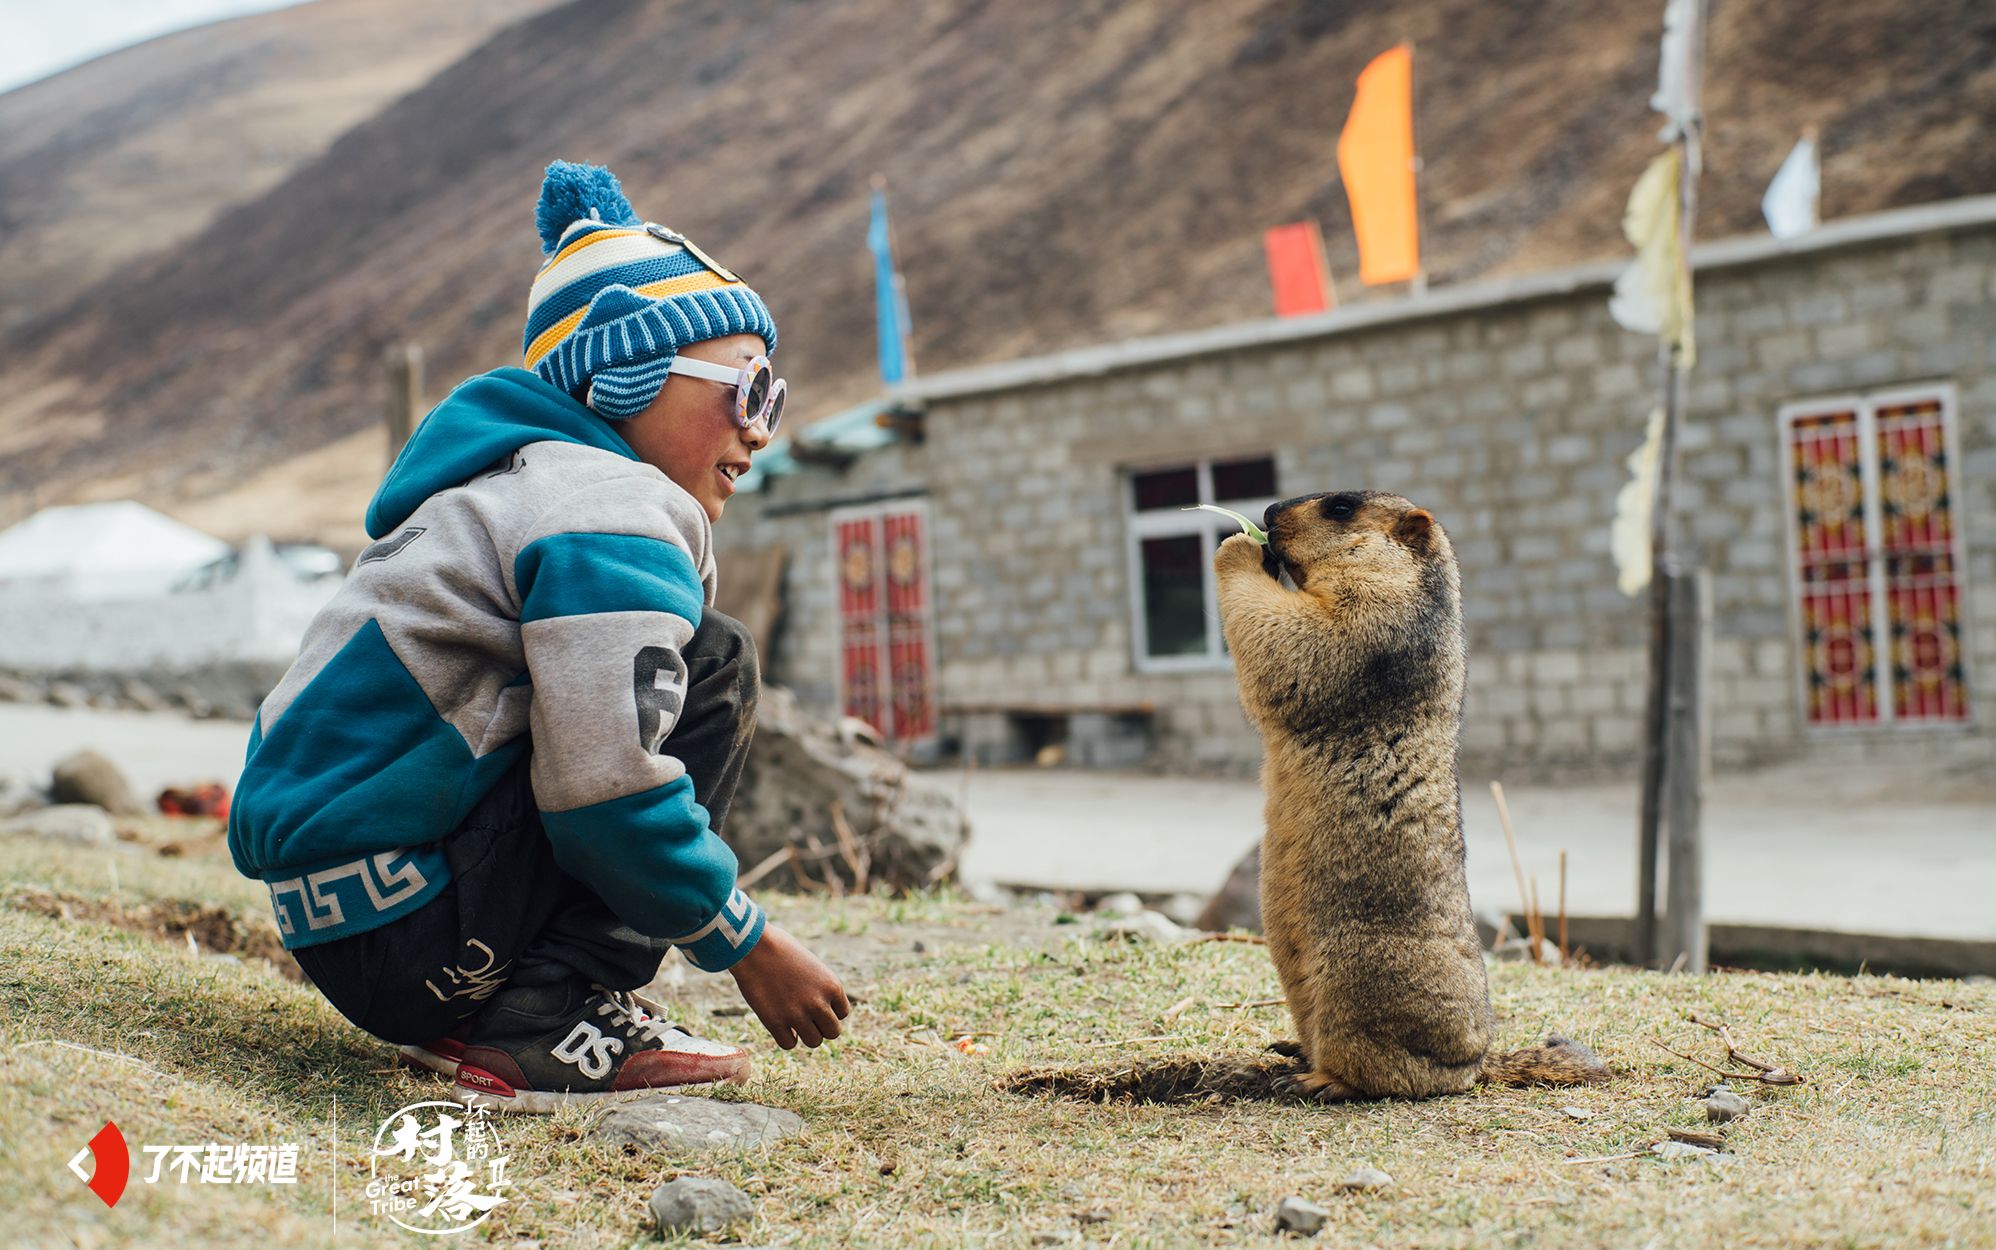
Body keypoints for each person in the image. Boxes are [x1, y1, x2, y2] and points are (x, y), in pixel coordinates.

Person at [227, 161, 849, 1113]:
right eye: (748, 389)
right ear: (630, 371)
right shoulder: (606, 507)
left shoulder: (501, 491)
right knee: (715, 662)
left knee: (668, 664)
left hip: (349, 924)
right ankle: (543, 1019)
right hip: (415, 929)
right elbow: (605, 790)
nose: (761, 430)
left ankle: (491, 1015)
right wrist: (745, 941)